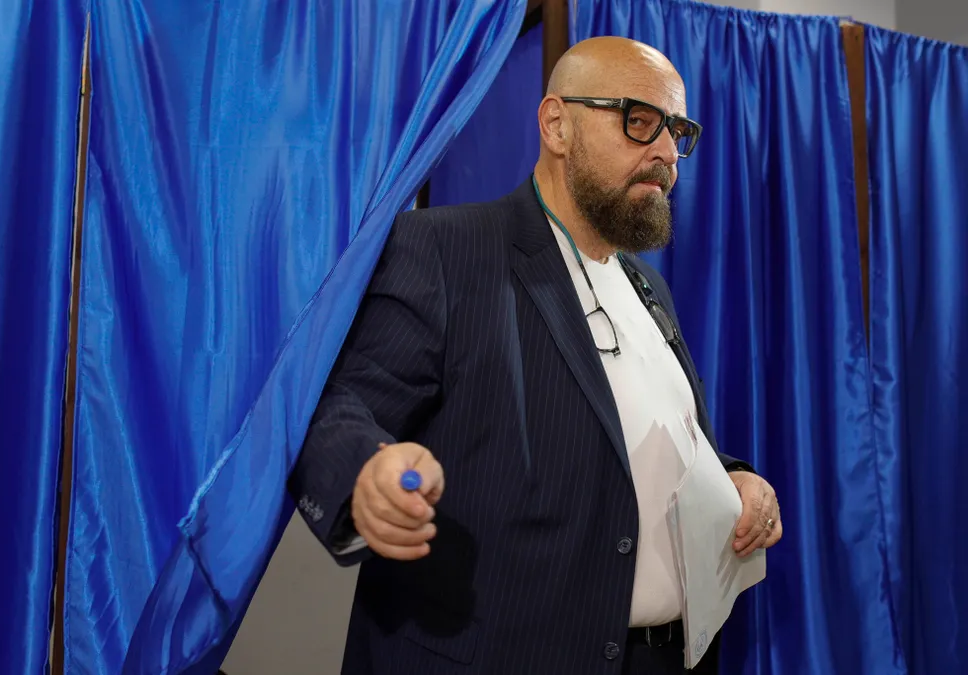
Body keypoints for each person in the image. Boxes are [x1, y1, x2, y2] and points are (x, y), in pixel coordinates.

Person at [288, 36, 783, 675]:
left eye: (677, 131)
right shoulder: (444, 250)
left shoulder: (648, 288)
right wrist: (366, 474)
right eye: (640, 121)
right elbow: (339, 405)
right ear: (556, 125)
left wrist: (734, 477)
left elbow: (649, 439)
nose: (666, 152)